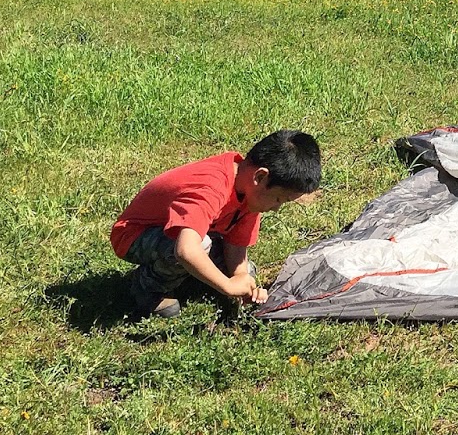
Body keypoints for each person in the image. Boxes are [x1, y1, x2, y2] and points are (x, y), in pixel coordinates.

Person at [111, 129, 321, 318]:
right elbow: (186, 250)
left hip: (193, 233)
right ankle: (148, 286)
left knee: (248, 271)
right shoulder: (210, 187)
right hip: (136, 236)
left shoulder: (248, 190)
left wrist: (240, 277)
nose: (277, 208)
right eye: (278, 199)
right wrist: (228, 285)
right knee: (200, 246)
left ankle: (191, 277)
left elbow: (237, 244)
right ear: (260, 176)